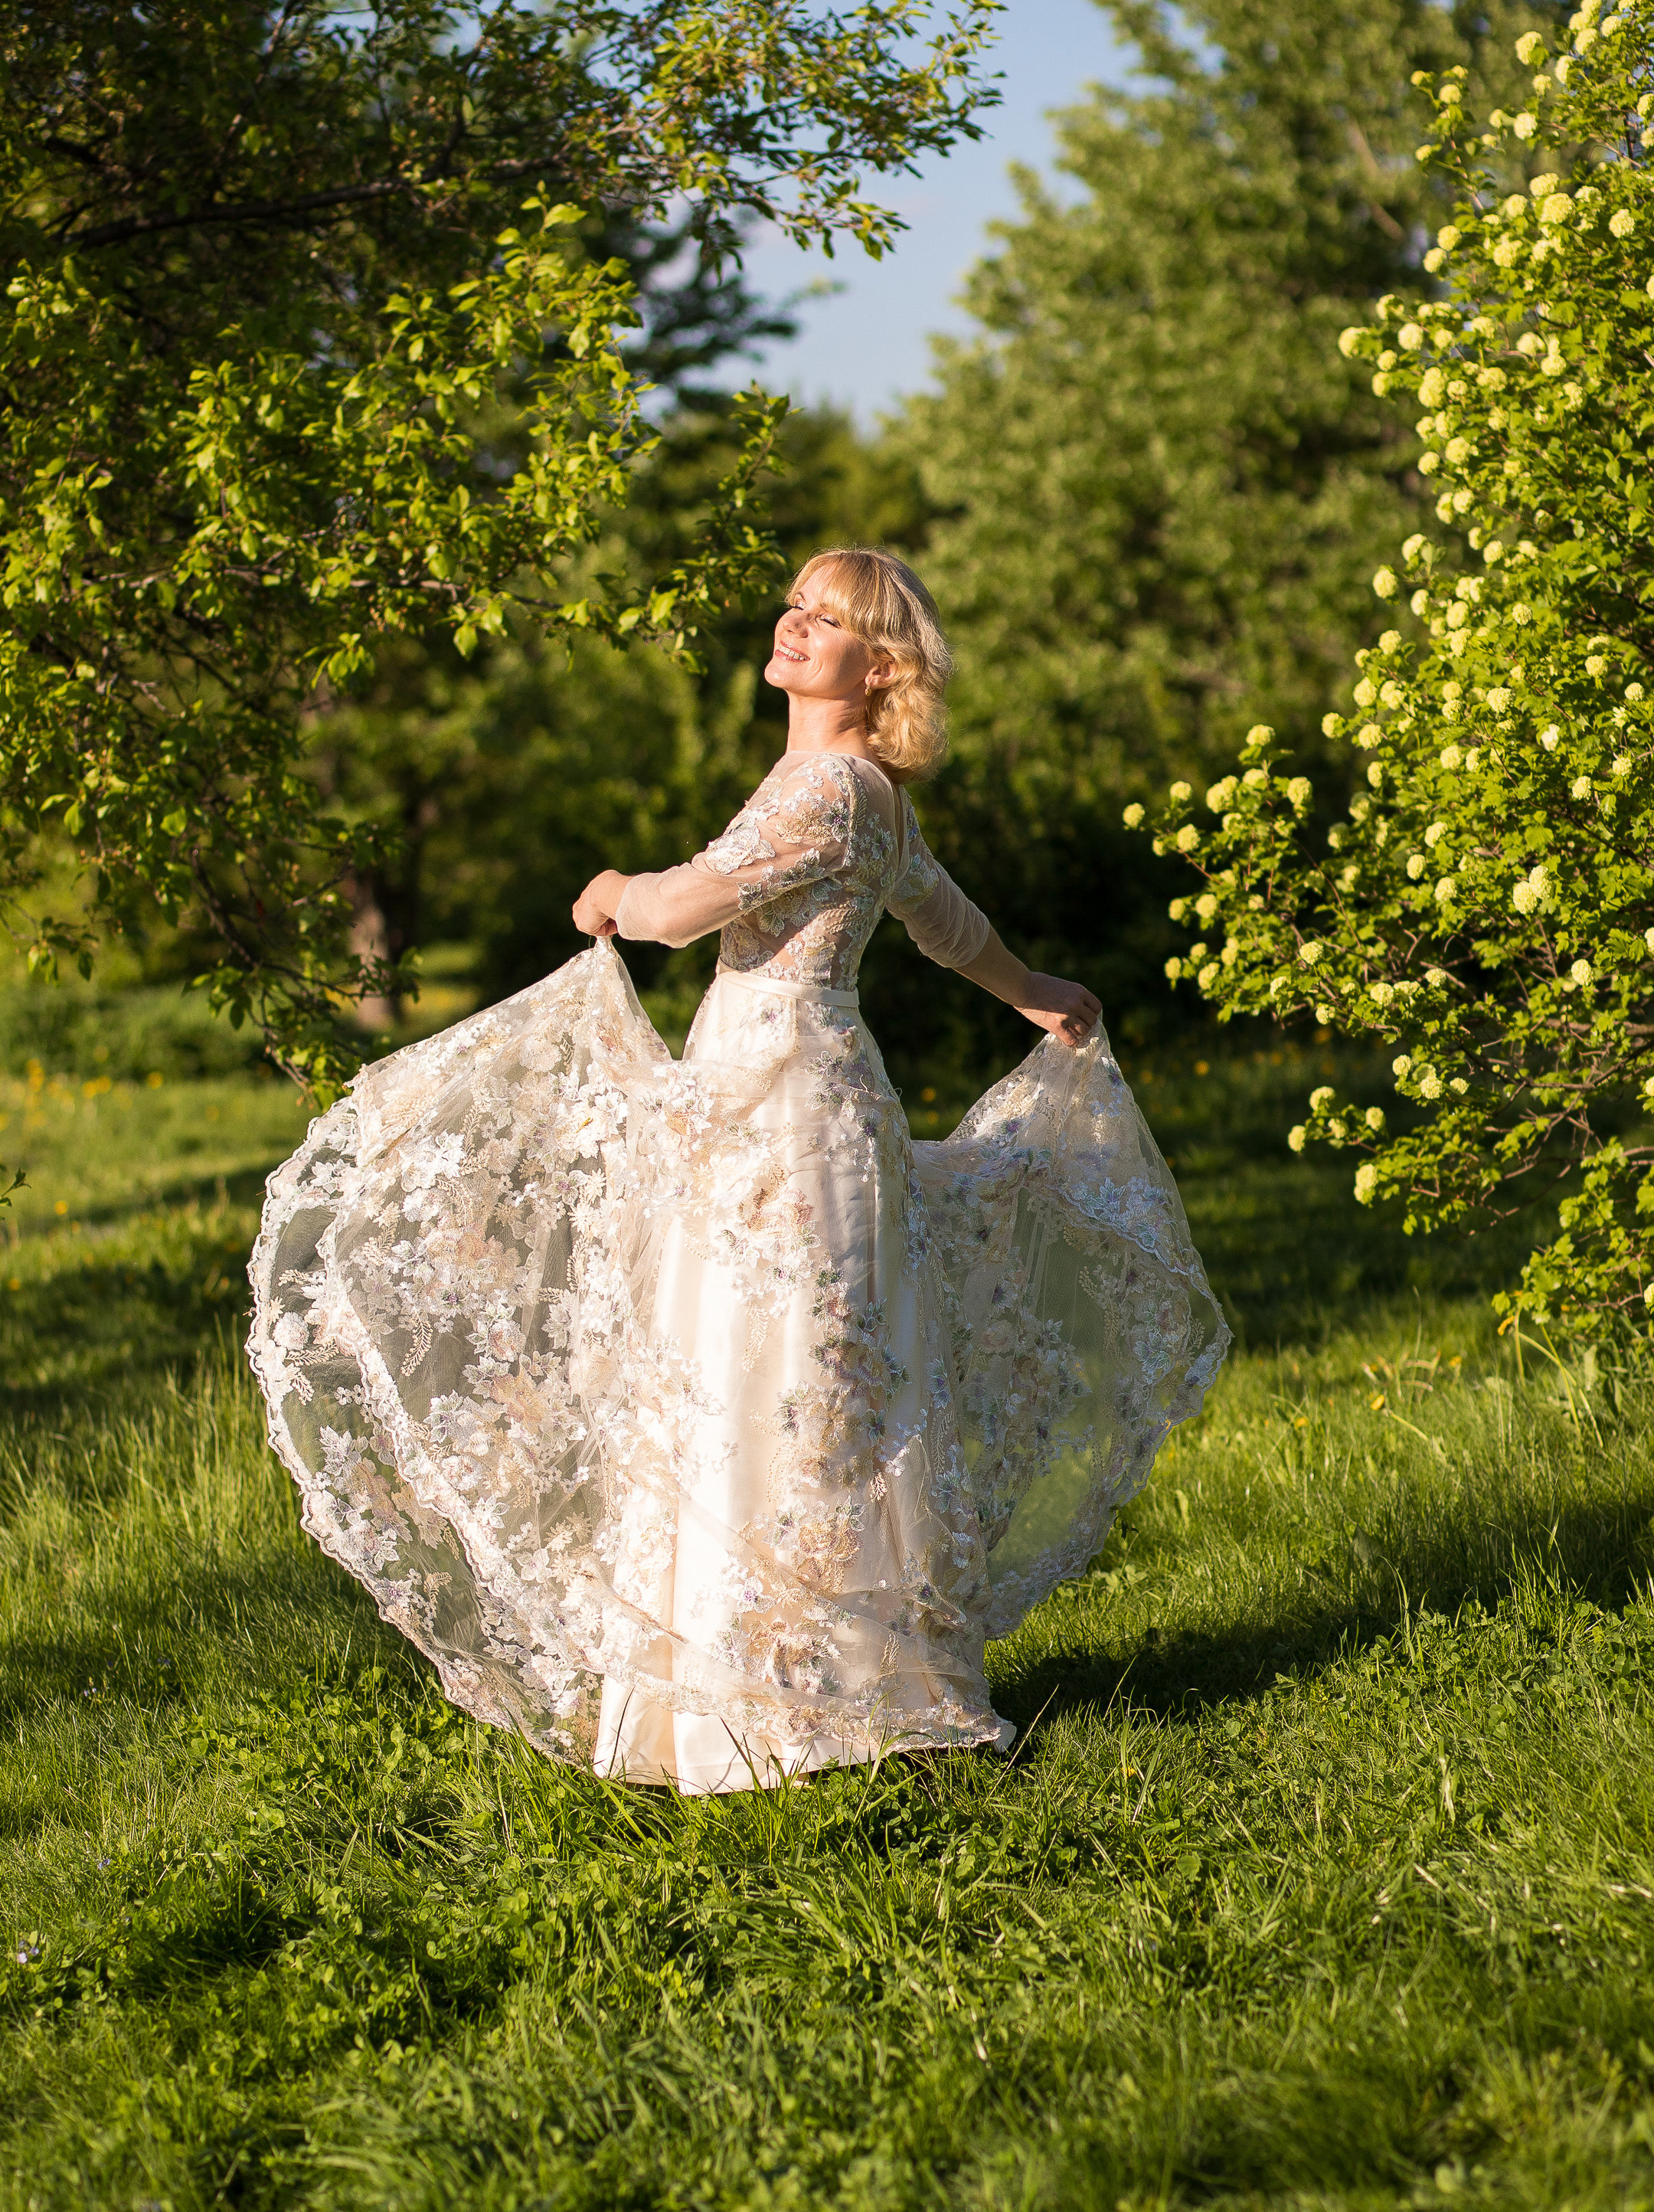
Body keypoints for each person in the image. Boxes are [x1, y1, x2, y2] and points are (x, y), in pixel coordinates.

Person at [249, 548, 1228, 1793]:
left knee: (784, 1379)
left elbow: (677, 915)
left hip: (788, 1118)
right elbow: (946, 921)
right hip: (778, 1102)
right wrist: (1034, 991)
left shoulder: (829, 789)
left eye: (829, 619)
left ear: (878, 668)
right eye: (797, 605)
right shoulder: (854, 791)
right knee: (768, 1374)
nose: (794, 623)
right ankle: (782, 1693)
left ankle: (793, 1704)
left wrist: (608, 889)